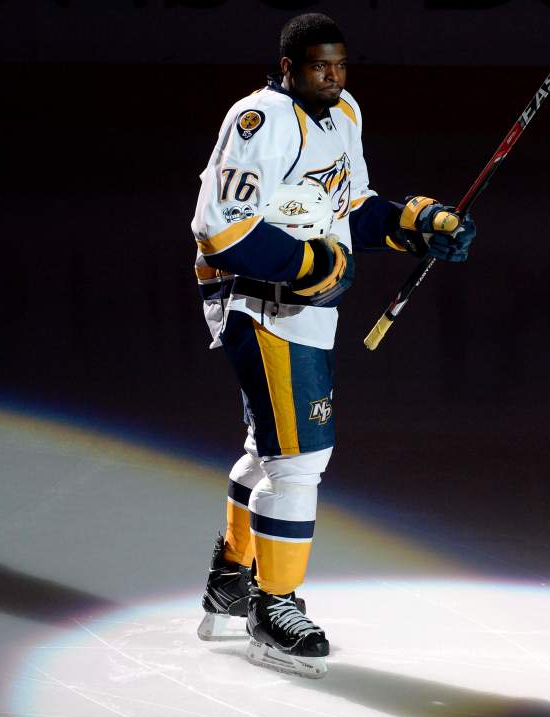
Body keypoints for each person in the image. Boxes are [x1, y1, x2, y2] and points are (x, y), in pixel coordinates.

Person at [190, 12, 476, 678]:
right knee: (301, 458)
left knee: (270, 447)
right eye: (320, 66)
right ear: (288, 67)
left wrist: (415, 223)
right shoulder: (257, 119)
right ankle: (274, 604)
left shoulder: (343, 112)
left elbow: (352, 205)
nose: (334, 76)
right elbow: (219, 229)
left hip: (309, 304)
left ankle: (232, 581)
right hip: (255, 301)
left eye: (341, 64)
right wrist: (307, 266)